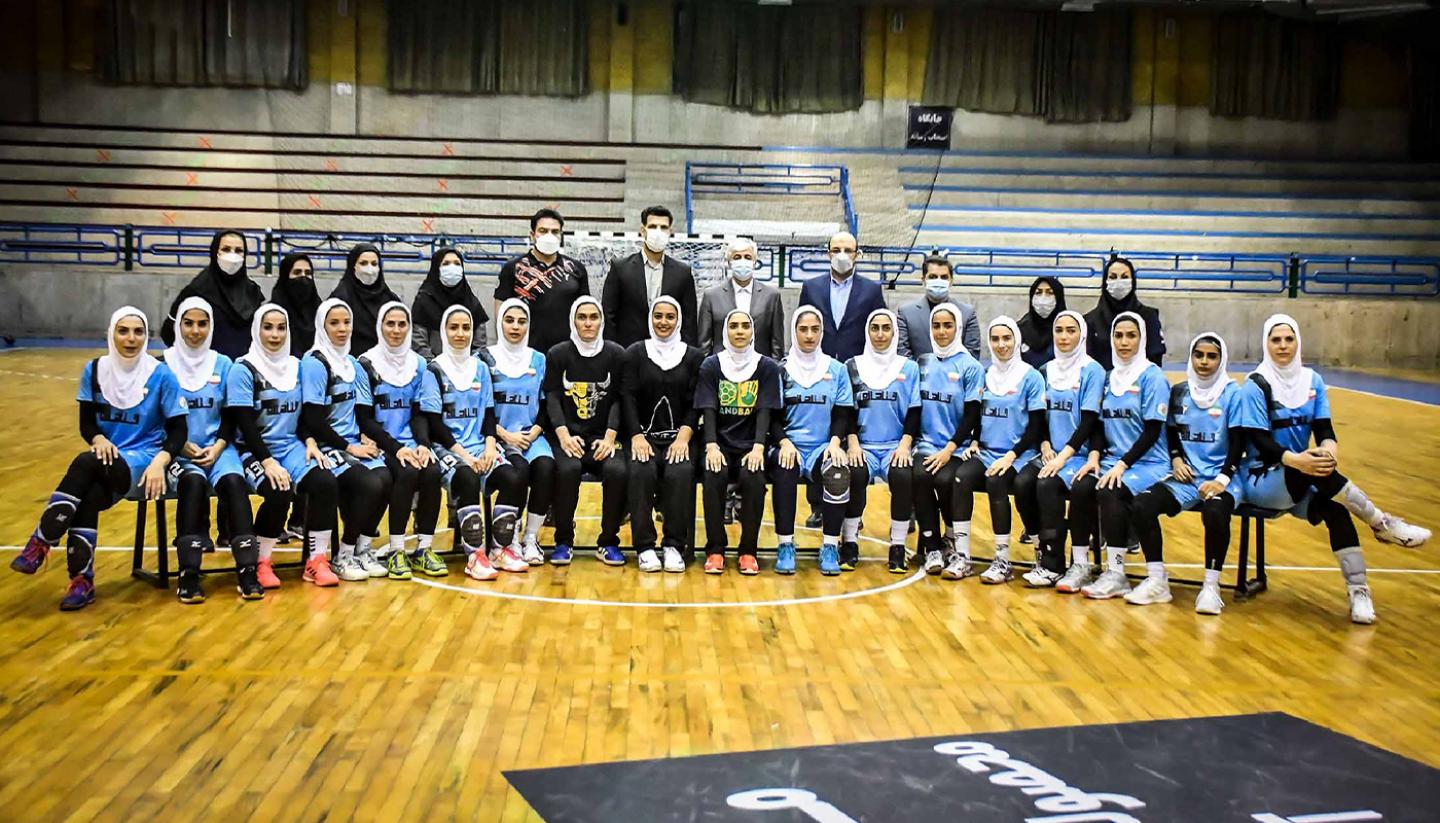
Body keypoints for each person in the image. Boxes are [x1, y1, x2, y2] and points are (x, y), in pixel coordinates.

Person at [1239, 314, 1430, 624]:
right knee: (1314, 469)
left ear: (1298, 341)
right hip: (1263, 478)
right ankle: (1381, 523)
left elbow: (1324, 428)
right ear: (1266, 344)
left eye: (1289, 339)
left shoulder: (1312, 380)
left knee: (1336, 511)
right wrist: (1298, 460)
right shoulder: (1255, 385)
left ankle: (1359, 591)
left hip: (1305, 473)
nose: (1283, 346)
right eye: (1276, 340)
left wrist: (1329, 450)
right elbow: (1260, 441)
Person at [12, 307, 188, 611]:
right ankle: (82, 582)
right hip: (105, 455)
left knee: (84, 462)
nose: (131, 339)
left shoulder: (161, 375)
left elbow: (178, 430)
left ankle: (41, 542)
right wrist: (98, 438)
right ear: (111, 333)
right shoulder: (94, 370)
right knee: (87, 496)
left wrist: (161, 460)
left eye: (138, 332)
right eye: (123, 331)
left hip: (142, 461)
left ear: (146, 336)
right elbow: (87, 424)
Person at [1126, 333, 1245, 614]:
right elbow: (1171, 431)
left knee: (1215, 511)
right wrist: (1176, 459)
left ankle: (1211, 586)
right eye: (1199, 355)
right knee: (1142, 504)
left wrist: (1222, 480)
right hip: (1186, 480)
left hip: (1223, 478)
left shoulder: (1233, 394)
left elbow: (1240, 443)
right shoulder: (1179, 391)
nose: (1204, 362)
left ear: (1221, 359)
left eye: (1211, 356)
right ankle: (1157, 580)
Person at [227, 304, 342, 590]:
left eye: (281, 327)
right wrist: (267, 461)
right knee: (279, 490)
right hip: (252, 449)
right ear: (257, 330)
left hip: (291, 446)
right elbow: (244, 424)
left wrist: (311, 442)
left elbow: (305, 416)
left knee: (326, 481)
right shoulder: (242, 369)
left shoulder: (296, 366)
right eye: (268, 327)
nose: (275, 334)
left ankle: (316, 561)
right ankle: (261, 561)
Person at [162, 297, 263, 603]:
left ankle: (247, 570)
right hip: (179, 452)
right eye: (188, 323)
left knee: (234, 484)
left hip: (219, 448)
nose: (195, 330)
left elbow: (232, 415)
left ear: (211, 326)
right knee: (192, 484)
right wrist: (179, 446)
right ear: (178, 326)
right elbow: (156, 417)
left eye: (202, 324)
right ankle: (189, 574)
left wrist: (220, 445)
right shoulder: (162, 364)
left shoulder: (223, 364)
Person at [420, 305, 532, 580]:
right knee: (468, 478)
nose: (460, 334)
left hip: (480, 446)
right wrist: (466, 457)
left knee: (513, 477)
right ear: (444, 332)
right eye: (454, 328)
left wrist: (491, 447)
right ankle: (474, 555)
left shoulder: (480, 368)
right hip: (448, 449)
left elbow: (489, 413)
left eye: (466, 328)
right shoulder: (433, 370)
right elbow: (435, 425)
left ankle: (500, 549)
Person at [1077, 313, 1172, 601]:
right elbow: (1096, 425)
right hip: (1112, 462)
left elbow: (1153, 431)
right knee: (1081, 486)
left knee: (1110, 489)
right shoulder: (1108, 378)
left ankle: (1118, 573)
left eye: (1131, 335)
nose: (1124, 342)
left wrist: (1122, 464)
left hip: (1148, 463)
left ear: (1142, 338)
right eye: (1118, 335)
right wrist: (1094, 456)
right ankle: (1078, 564)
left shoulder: (1153, 377)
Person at [299, 298, 394, 582]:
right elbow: (312, 421)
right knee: (369, 483)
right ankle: (343, 554)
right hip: (326, 445)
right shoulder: (315, 363)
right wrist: (349, 446)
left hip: (353, 442)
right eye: (334, 323)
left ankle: (361, 550)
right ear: (322, 326)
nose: (342, 329)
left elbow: (364, 414)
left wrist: (368, 437)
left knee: (387, 477)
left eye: (347, 322)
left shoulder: (354, 364)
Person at [952, 317, 1047, 584]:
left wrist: (1012, 455)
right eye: (995, 339)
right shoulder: (986, 375)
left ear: (1016, 340)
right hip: (988, 452)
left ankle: (1002, 560)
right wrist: (973, 441)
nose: (1001, 344)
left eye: (1006, 338)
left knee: (996, 481)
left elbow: (1036, 426)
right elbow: (978, 417)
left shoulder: (1032, 377)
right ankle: (963, 557)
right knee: (960, 478)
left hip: (1020, 454)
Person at [356, 302, 446, 580]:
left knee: (431, 470)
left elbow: (419, 412)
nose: (396, 330)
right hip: (381, 443)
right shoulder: (366, 363)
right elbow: (365, 417)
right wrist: (396, 449)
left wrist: (422, 444)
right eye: (390, 324)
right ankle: (396, 550)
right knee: (406, 473)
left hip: (410, 441)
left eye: (401, 324)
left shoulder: (419, 364)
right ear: (380, 327)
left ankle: (424, 550)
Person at [771, 306, 861, 576]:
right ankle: (785, 545)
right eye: (803, 329)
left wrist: (835, 442)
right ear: (794, 332)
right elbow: (772, 416)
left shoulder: (836, 369)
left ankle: (830, 545)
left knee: (836, 470)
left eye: (815, 329)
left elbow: (842, 412)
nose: (809, 336)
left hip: (823, 445)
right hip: (789, 445)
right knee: (785, 469)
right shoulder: (780, 370)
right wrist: (784, 442)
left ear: (822, 332)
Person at [1020, 310, 1104, 589]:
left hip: (1080, 454)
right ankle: (1042, 550)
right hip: (1051, 454)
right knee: (1022, 483)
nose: (1065, 336)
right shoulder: (1046, 369)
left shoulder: (1093, 370)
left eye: (1071, 330)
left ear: (1081, 334)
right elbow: (1040, 416)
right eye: (1060, 331)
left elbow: (1090, 421)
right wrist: (1044, 445)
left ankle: (1058, 564)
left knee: (1047, 485)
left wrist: (1065, 456)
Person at [696, 309, 784, 573]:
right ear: (725, 331)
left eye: (745, 325)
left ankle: (748, 550)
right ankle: (715, 549)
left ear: (752, 331)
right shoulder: (711, 365)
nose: (739, 331)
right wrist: (711, 445)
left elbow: (765, 411)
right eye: (733, 326)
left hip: (751, 447)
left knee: (755, 478)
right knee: (713, 475)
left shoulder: (766, 367)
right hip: (719, 446)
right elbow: (708, 409)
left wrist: (759, 447)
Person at [544, 296, 628, 566]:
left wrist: (610, 437)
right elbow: (553, 397)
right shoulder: (558, 354)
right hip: (568, 437)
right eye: (582, 317)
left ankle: (608, 542)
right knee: (567, 470)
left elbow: (618, 398)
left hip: (603, 437)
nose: (588, 323)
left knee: (617, 471)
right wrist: (563, 435)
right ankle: (563, 541)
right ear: (573, 320)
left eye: (594, 317)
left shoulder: (616, 354)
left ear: (601, 321)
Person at [623, 296, 704, 572]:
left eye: (670, 316)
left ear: (678, 320)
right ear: (650, 318)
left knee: (679, 473)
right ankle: (645, 547)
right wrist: (635, 435)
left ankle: (673, 545)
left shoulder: (693, 356)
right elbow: (628, 397)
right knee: (641, 471)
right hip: (642, 437)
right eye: (658, 316)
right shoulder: (635, 352)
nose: (663, 322)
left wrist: (683, 437)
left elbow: (696, 402)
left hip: (681, 438)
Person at [911, 303, 984, 578]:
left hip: (957, 447)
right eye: (936, 326)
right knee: (918, 475)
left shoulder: (971, 367)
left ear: (958, 329)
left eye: (947, 325)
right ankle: (931, 546)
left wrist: (950, 449)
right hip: (926, 445)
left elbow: (972, 415)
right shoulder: (923, 362)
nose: (941, 332)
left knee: (944, 480)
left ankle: (952, 540)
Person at [847, 309, 921, 574]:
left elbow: (914, 411)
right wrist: (853, 444)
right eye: (875, 328)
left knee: (902, 477)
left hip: (894, 446)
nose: (880, 334)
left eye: (886, 328)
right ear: (867, 331)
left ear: (894, 332)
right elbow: (845, 410)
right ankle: (850, 542)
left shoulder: (909, 368)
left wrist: (905, 445)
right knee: (854, 475)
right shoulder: (852, 366)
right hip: (863, 445)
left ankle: (897, 546)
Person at [485, 300, 556, 567]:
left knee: (546, 466)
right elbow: (482, 407)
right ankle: (509, 538)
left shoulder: (538, 359)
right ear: (500, 322)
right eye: (509, 320)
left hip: (531, 435)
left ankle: (530, 538)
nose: (515, 326)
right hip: (498, 437)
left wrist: (535, 431)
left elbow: (548, 403)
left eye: (521, 321)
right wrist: (505, 435)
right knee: (519, 471)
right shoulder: (485, 358)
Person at [494, 209, 590, 355]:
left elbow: (585, 311)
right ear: (532, 235)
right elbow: (500, 312)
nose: (549, 236)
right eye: (543, 231)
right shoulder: (513, 268)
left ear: (560, 236)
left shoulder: (576, 269)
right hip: (526, 353)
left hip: (566, 353)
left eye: (555, 231)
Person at [601, 206, 698, 348]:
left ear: (670, 232)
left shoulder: (682, 272)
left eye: (663, 227)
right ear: (643, 231)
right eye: (653, 226)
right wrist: (613, 352)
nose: (658, 232)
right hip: (628, 352)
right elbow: (609, 315)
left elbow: (689, 321)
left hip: (670, 355)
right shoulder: (620, 268)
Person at [161, 230, 265, 358]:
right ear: (215, 252)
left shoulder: (252, 292)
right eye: (226, 249)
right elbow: (169, 333)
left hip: (243, 370)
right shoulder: (196, 290)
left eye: (238, 251)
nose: (232, 256)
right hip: (207, 371)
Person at [797, 232, 887, 363]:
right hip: (818, 365)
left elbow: (880, 328)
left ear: (857, 255)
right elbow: (800, 328)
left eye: (848, 251)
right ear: (828, 254)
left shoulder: (872, 290)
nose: (842, 255)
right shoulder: (811, 288)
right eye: (836, 250)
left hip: (858, 366)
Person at [697, 237, 785, 360]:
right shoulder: (711, 296)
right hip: (721, 370)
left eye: (747, 257)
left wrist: (772, 370)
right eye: (737, 257)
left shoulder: (771, 296)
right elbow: (703, 344)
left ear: (754, 261)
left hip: (759, 371)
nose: (742, 261)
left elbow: (777, 343)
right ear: (729, 262)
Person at [1084, 256, 1165, 368]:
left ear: (1133, 281)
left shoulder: (1149, 317)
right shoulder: (1090, 320)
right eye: (1113, 277)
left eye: (1124, 277)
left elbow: (1155, 360)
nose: (1119, 282)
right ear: (1105, 282)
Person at [896, 256, 980, 359]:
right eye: (933, 277)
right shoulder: (906, 314)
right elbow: (902, 354)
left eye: (944, 277)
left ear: (951, 281)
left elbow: (972, 355)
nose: (938, 281)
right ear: (923, 280)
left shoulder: (967, 313)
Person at [412, 246, 489, 359]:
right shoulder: (424, 301)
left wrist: (470, 367)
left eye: (457, 264)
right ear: (436, 268)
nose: (452, 268)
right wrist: (435, 368)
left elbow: (479, 346)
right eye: (446, 263)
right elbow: (419, 343)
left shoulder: (472, 303)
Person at [329, 243, 400, 355]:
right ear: (353, 266)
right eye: (363, 263)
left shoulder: (390, 298)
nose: (369, 269)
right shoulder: (340, 298)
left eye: (374, 264)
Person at [270, 253, 320, 357]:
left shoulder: (321, 312)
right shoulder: (272, 312)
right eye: (297, 272)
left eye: (308, 273)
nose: (303, 277)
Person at [1016, 276, 1065, 368]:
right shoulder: (1020, 328)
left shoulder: (1067, 328)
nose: (1043, 299)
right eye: (1038, 292)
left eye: (1050, 293)